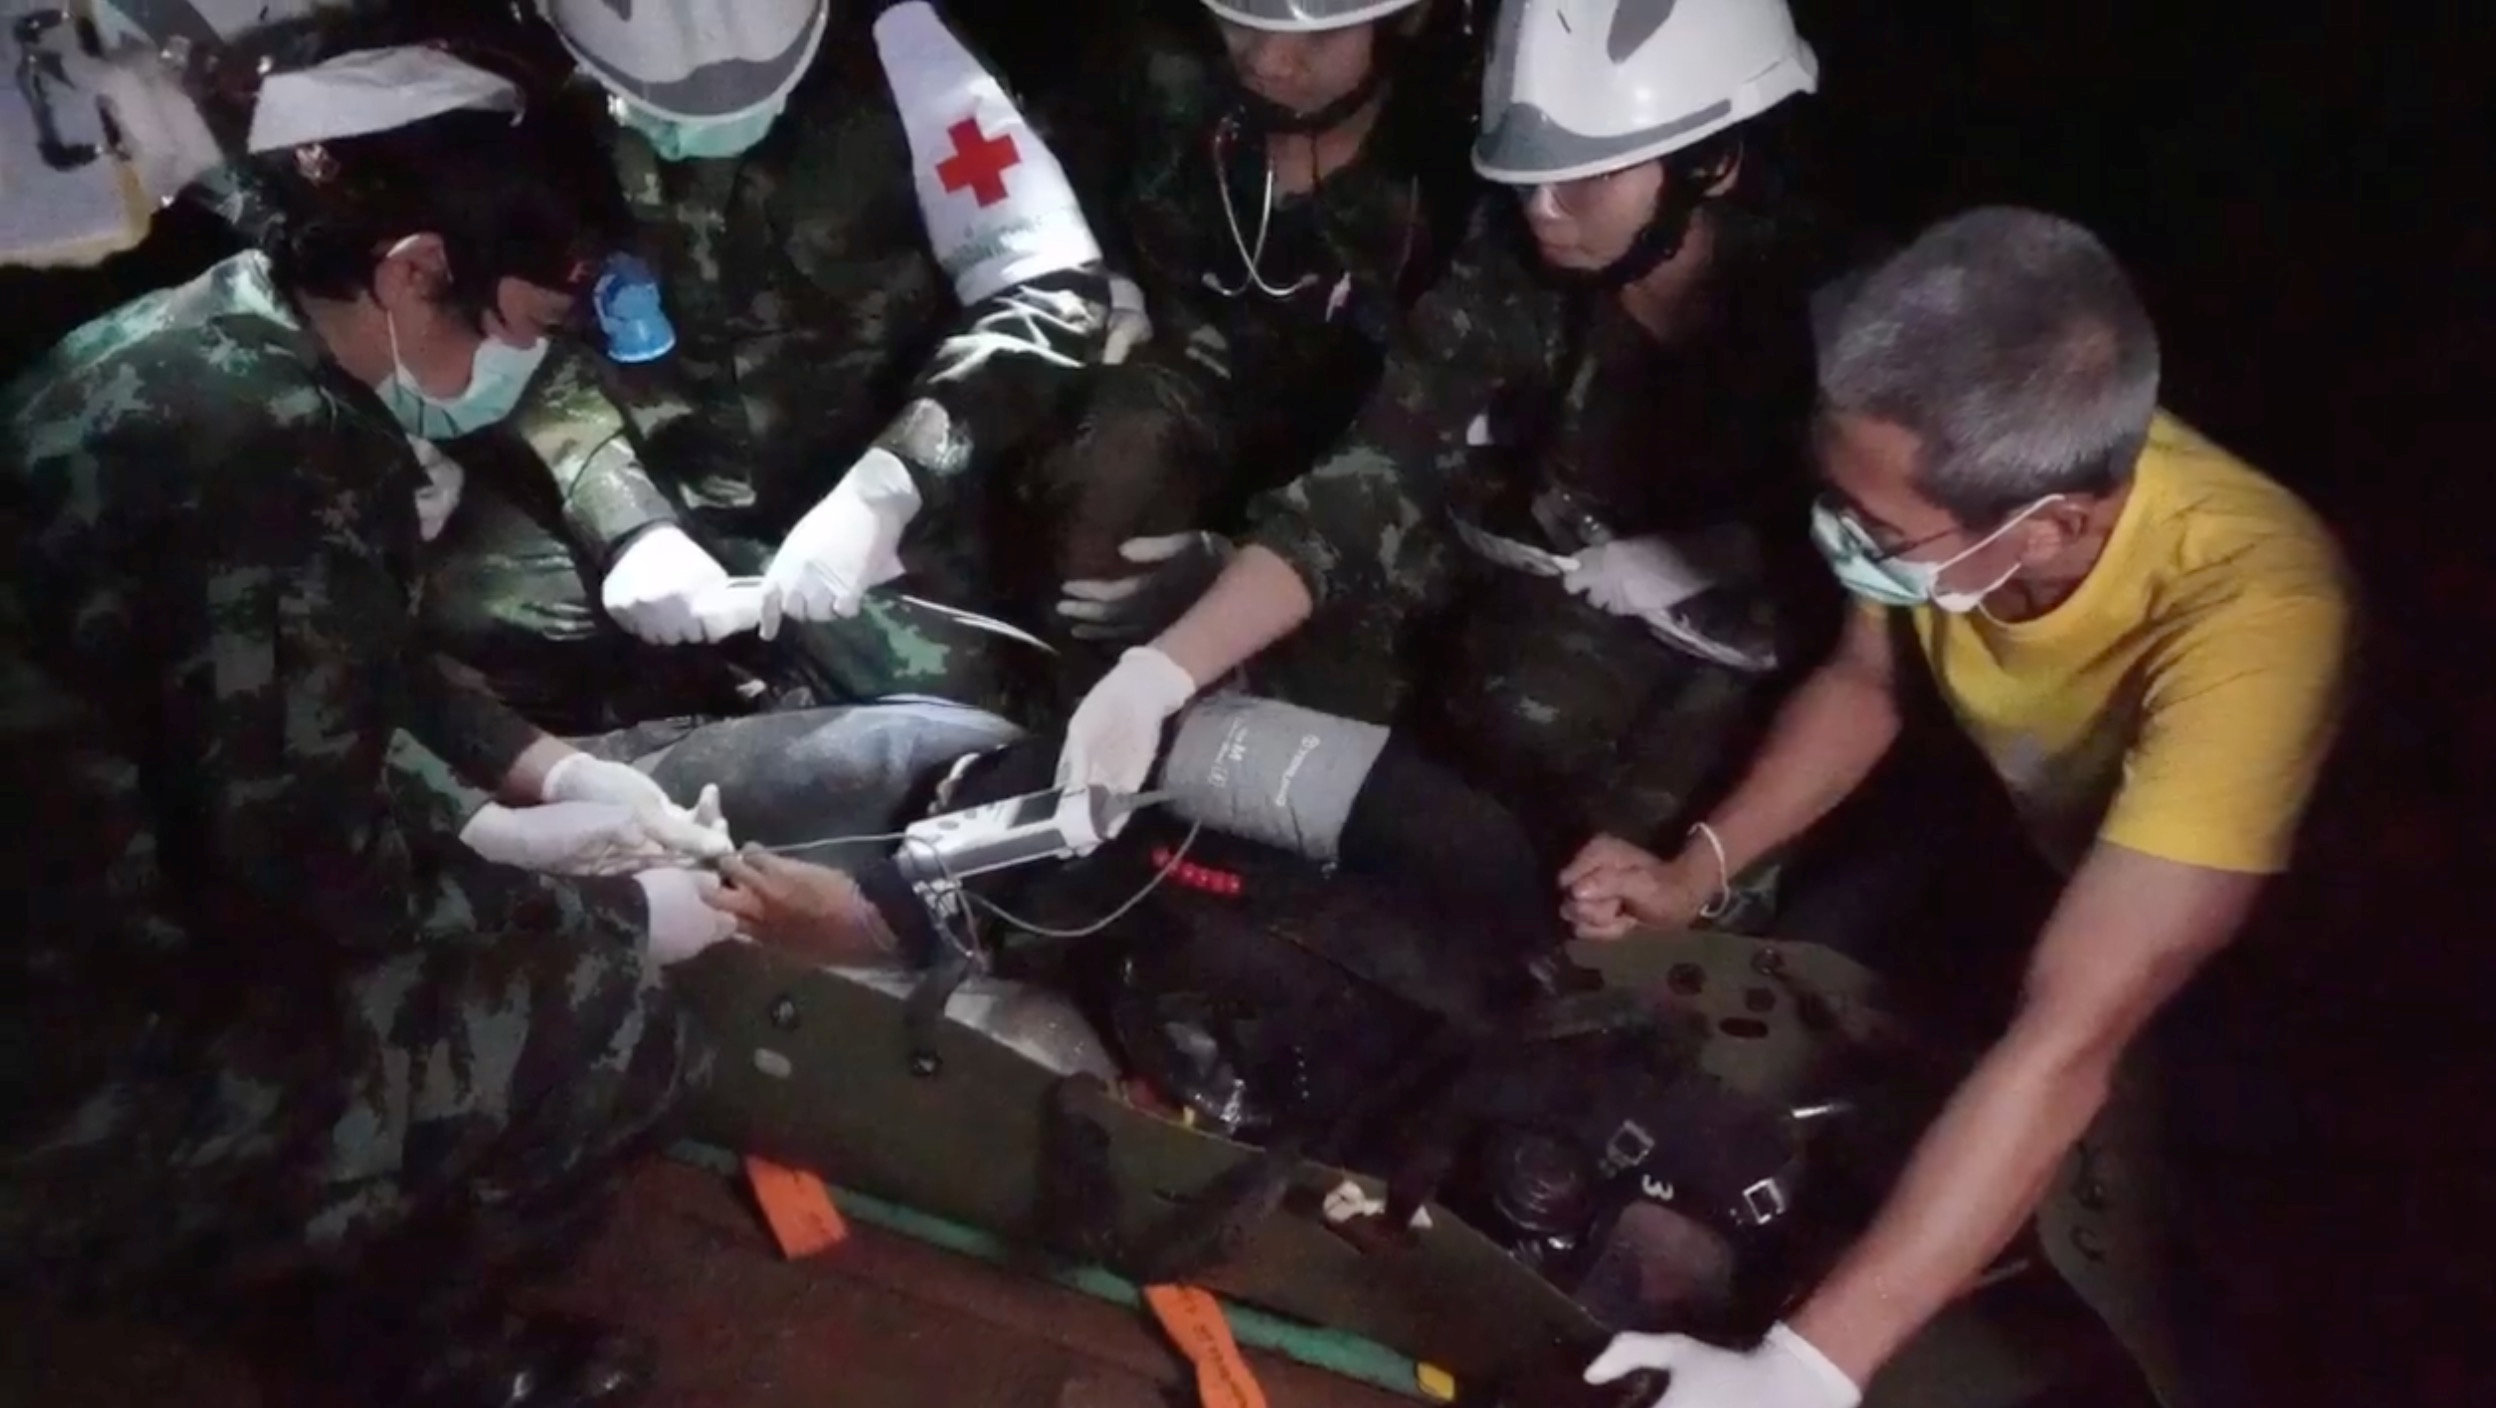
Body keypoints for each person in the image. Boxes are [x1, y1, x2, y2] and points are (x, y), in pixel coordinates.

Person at [0, 50, 863, 1406]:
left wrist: (542, 777)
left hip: (82, 894)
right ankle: (401, 1355)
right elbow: (296, 880)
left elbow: (318, 675)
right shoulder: (269, 458)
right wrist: (616, 918)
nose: (517, 360)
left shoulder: (193, 343)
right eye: (515, 326)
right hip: (63, 1060)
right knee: (607, 1029)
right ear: (412, 270)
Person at [1563, 209, 2353, 1408]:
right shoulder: (1956, 487)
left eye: (1876, 530)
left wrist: (1808, 1366)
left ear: (2056, 527)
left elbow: (2073, 1028)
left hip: (2285, 991)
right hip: (2046, 856)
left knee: (2119, 1307)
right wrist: (1693, 871)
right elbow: (1865, 681)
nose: (1842, 542)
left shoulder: (2261, 616)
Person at [1049, 0, 1844, 852]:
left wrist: (1726, 556)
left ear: (1712, 162)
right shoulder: (1516, 260)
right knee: (1312, 655)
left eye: (1586, 176)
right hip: (1541, 550)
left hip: (1738, 634)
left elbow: (1884, 587)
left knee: (1534, 715)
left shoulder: (1829, 312)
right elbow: (1385, 461)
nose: (1543, 209)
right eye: (1528, 174)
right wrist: (1163, 672)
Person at [421, 0, 1114, 731]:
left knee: (955, 716)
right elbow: (520, 333)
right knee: (472, 623)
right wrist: (623, 519)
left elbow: (1044, 286)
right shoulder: (534, 89)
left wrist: (896, 481)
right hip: (653, 483)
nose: (690, 136)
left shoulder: (902, 50)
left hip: (865, 513)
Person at [1033, 0, 1477, 707]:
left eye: (1317, 34)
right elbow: (1047, 188)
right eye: (1245, 16)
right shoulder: (1166, 80)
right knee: (1115, 453)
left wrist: (1241, 564)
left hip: (1360, 460)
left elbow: (1431, 442)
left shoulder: (1454, 167)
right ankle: (1071, 735)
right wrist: (1106, 278)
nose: (1268, 58)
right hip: (1195, 402)